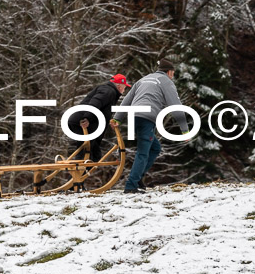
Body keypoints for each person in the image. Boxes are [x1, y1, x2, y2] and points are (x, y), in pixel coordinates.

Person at [110, 59, 189, 193]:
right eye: (173, 73)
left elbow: (127, 99)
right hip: (147, 118)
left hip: (133, 117)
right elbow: (175, 105)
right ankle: (131, 186)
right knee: (143, 152)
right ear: (169, 72)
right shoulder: (166, 82)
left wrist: (117, 118)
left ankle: (138, 177)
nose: (173, 76)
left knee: (155, 148)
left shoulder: (143, 79)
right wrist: (185, 130)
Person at [68, 74, 131, 162]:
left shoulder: (109, 92)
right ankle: (79, 168)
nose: (124, 90)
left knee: (94, 153)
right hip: (83, 121)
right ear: (119, 86)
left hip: (84, 121)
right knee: (87, 151)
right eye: (124, 87)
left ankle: (83, 169)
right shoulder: (108, 91)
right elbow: (96, 102)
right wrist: (87, 118)